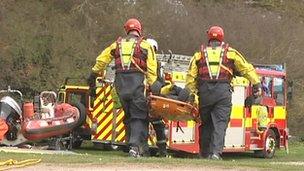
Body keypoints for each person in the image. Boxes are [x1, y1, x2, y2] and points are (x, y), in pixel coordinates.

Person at [88, 18, 168, 158]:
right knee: (139, 116)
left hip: (120, 85)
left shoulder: (116, 45)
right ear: (139, 30)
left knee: (129, 116)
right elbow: (151, 70)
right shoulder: (145, 46)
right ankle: (134, 147)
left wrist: (93, 74)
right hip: (136, 84)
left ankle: (140, 149)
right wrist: (153, 85)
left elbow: (102, 60)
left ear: (126, 30)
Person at [185, 26, 261, 160]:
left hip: (204, 93)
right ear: (222, 38)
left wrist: (191, 94)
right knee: (220, 124)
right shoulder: (231, 53)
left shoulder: (199, 55)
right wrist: (256, 84)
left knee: (206, 124)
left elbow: (190, 76)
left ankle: (204, 153)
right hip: (223, 92)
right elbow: (246, 68)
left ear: (209, 38)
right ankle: (215, 153)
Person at [146, 38, 168, 157]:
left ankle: (143, 150)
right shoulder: (155, 63)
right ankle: (162, 151)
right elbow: (160, 80)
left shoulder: (139, 60)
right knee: (158, 125)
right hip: (151, 98)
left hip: (148, 97)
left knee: (155, 124)